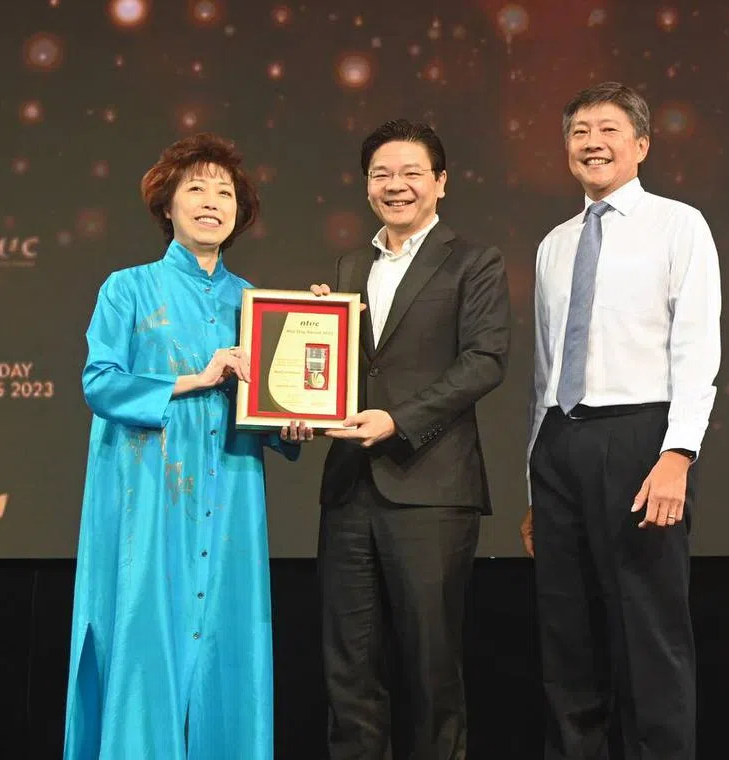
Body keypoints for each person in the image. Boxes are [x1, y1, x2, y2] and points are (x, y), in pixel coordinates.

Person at [62, 133, 311, 760]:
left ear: (239, 213)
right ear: (166, 206)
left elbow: (270, 406)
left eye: (224, 192)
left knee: (229, 645)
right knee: (147, 638)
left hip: (231, 496)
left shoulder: (256, 303)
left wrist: (294, 423)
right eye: (195, 189)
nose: (210, 202)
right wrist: (194, 379)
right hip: (150, 496)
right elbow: (101, 382)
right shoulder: (129, 288)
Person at [521, 82, 722, 760]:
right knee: (567, 638)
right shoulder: (554, 244)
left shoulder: (679, 225)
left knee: (649, 634)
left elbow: (696, 346)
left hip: (642, 437)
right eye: (579, 131)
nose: (592, 142)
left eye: (608, 129)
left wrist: (679, 454)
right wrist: (533, 486)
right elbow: (545, 371)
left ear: (640, 144)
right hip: (560, 443)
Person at [301, 118, 511, 759]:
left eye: (411, 173)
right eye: (381, 174)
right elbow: (339, 366)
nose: (396, 186)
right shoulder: (348, 264)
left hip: (431, 490)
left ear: (440, 183)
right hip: (349, 490)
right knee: (349, 672)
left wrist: (399, 420)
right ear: (367, 186)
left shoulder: (474, 262)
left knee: (429, 668)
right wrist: (313, 339)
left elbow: (485, 361)